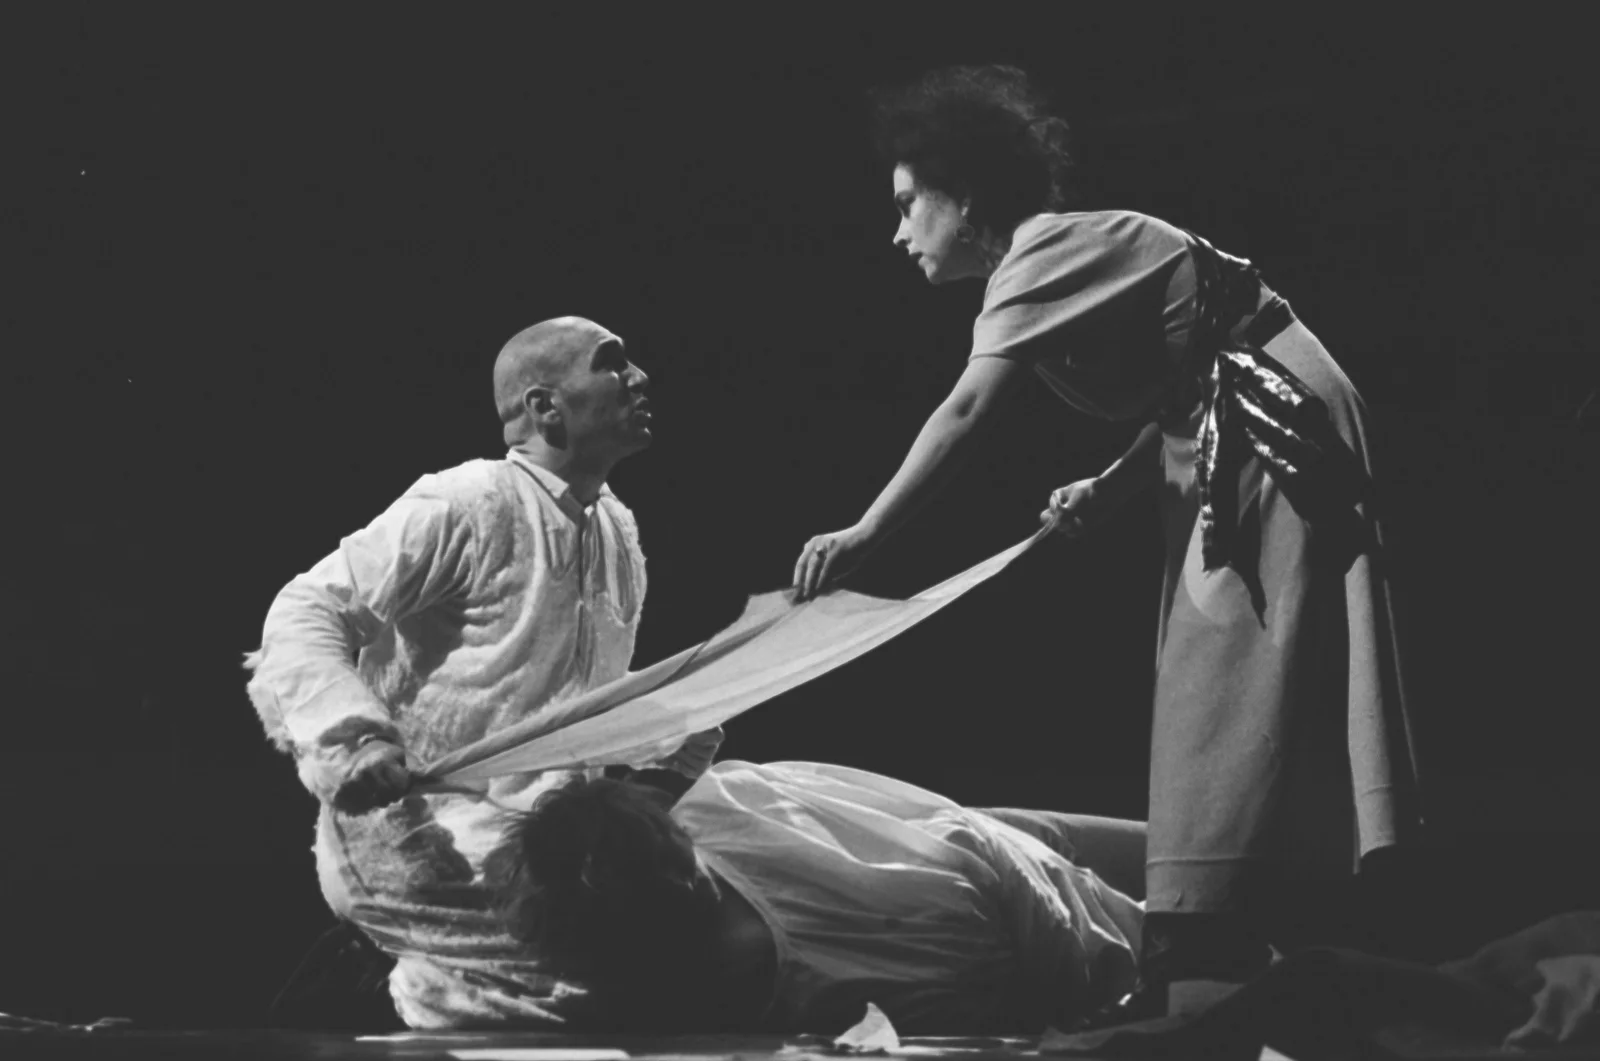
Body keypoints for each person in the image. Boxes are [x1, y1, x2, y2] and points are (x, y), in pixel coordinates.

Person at [790, 65, 1422, 1022]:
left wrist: (868, 530)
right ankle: (1214, 937)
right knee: (1219, 670)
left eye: (910, 203)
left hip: (1273, 422)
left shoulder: (1037, 255)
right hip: (1238, 421)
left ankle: (1215, 939)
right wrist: (1112, 485)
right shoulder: (1050, 264)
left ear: (966, 198)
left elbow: (965, 410)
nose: (899, 230)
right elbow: (1186, 376)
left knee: (1230, 668)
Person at [245, 316, 722, 1029]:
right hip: (431, 839)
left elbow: (576, 703)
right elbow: (306, 608)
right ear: (545, 407)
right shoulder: (467, 500)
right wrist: (356, 740)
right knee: (605, 995)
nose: (639, 378)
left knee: (715, 917)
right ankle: (376, 988)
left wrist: (681, 723)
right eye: (612, 363)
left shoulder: (616, 526)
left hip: (550, 847)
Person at [486, 760, 1148, 1034]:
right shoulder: (733, 1001)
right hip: (1069, 932)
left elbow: (899, 808)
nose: (691, 862)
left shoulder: (722, 803)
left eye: (677, 839)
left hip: (1009, 841)